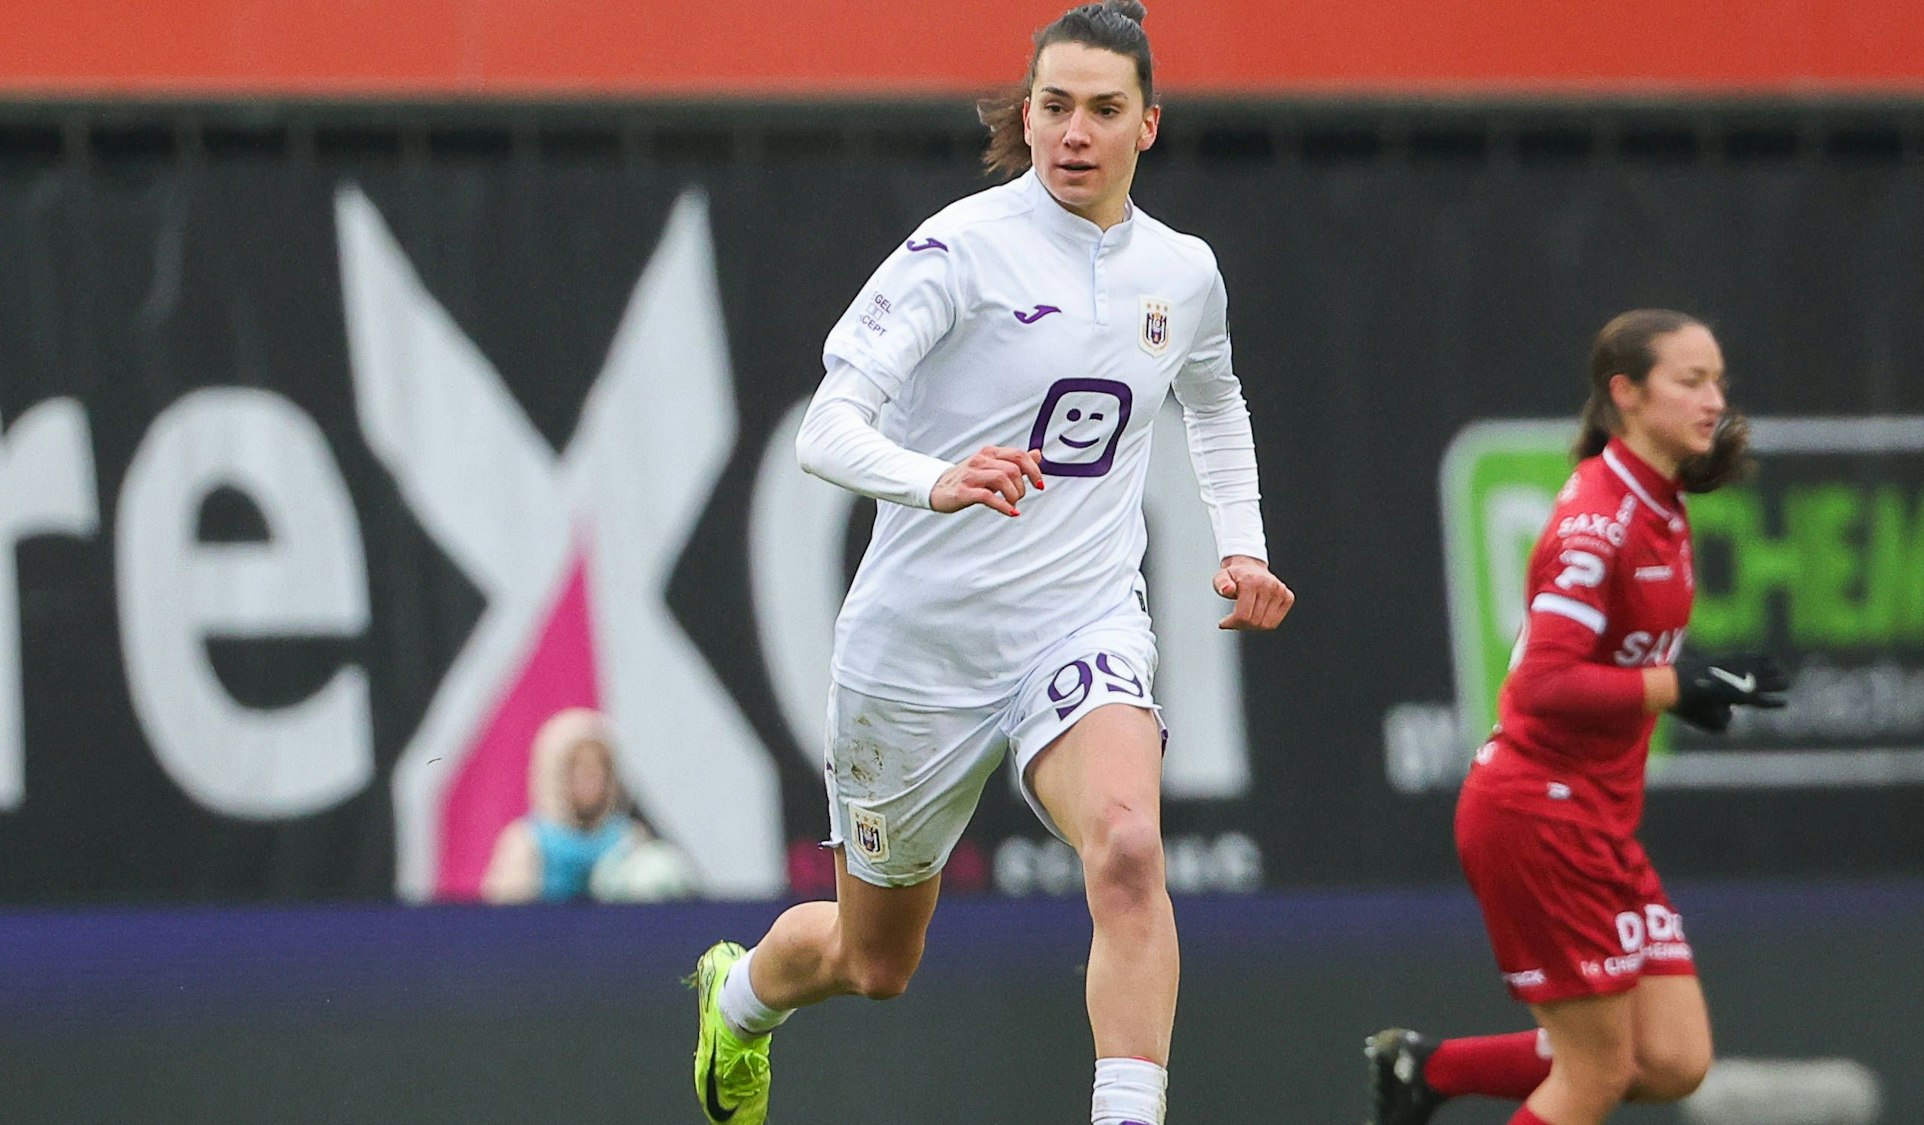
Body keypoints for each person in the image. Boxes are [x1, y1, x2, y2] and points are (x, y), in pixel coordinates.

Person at [689, 4, 1294, 1123]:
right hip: (919, 647)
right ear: (1027, 114)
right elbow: (827, 429)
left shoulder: (1183, 273)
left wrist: (1241, 546)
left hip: (1078, 622)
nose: (1073, 132)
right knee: (875, 963)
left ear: (1146, 125)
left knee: (1125, 849)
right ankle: (741, 998)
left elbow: (1214, 401)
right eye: (1053, 107)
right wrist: (937, 478)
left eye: (1101, 111)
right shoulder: (958, 248)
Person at [1365, 310, 1790, 1125]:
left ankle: (1430, 1068)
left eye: (1719, 381)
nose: (1716, 400)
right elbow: (1542, 685)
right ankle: (1431, 1071)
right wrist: (1675, 687)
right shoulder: (1598, 520)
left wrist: (1679, 688)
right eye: (1691, 381)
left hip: (1596, 817)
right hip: (1540, 816)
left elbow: (1618, 669)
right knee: (1594, 1071)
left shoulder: (1658, 499)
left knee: (1671, 1060)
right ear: (1625, 393)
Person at [482, 707, 692, 904]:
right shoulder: (527, 843)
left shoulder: (628, 842)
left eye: (598, 768)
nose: (590, 779)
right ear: (555, 775)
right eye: (579, 769)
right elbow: (505, 924)